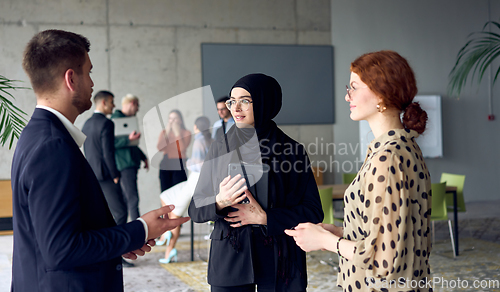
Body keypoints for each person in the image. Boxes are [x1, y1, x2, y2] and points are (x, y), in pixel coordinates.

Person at [11, 29, 190, 292]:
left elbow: (62, 232)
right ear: (71, 78)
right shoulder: (52, 145)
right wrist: (140, 230)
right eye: (89, 72)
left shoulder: (36, 134)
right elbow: (61, 250)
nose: (92, 84)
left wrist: (123, 242)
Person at [285, 50, 432, 291]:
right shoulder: (404, 147)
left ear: (382, 95)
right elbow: (393, 233)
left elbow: (383, 260)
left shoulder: (387, 158)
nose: (347, 96)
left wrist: (326, 241)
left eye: (354, 87)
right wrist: (341, 232)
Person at [188, 73, 323, 291]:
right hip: (231, 260)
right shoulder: (220, 148)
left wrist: (265, 218)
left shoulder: (292, 151)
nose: (236, 108)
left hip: (281, 260)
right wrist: (219, 201)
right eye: (232, 101)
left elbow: (313, 211)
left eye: (245, 101)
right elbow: (195, 209)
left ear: (264, 102)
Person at [157, 116, 214, 263]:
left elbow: (199, 165)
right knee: (166, 195)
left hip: (195, 182)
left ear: (195, 127)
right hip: (195, 181)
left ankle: (169, 247)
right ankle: (167, 235)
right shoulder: (211, 140)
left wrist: (188, 162)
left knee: (175, 215)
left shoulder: (199, 141)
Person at [82, 90, 127, 226]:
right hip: (106, 175)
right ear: (104, 102)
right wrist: (115, 174)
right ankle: (119, 246)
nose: (114, 106)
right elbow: (108, 152)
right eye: (112, 102)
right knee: (121, 212)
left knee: (100, 214)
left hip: (91, 174)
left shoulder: (86, 124)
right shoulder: (107, 123)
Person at [111, 93, 148, 221]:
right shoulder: (116, 120)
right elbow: (111, 143)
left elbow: (133, 145)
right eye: (137, 105)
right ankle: (137, 231)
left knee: (129, 199)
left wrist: (143, 157)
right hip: (124, 164)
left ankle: (129, 230)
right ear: (132, 103)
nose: (138, 109)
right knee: (132, 199)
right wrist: (128, 139)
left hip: (131, 164)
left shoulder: (129, 121)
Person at [157, 109, 191, 192]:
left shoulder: (186, 133)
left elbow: (181, 149)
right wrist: (167, 133)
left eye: (175, 118)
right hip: (166, 162)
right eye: (170, 118)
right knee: (165, 191)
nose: (172, 121)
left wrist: (177, 133)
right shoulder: (164, 132)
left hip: (179, 162)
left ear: (180, 120)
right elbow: (159, 147)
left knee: (178, 190)